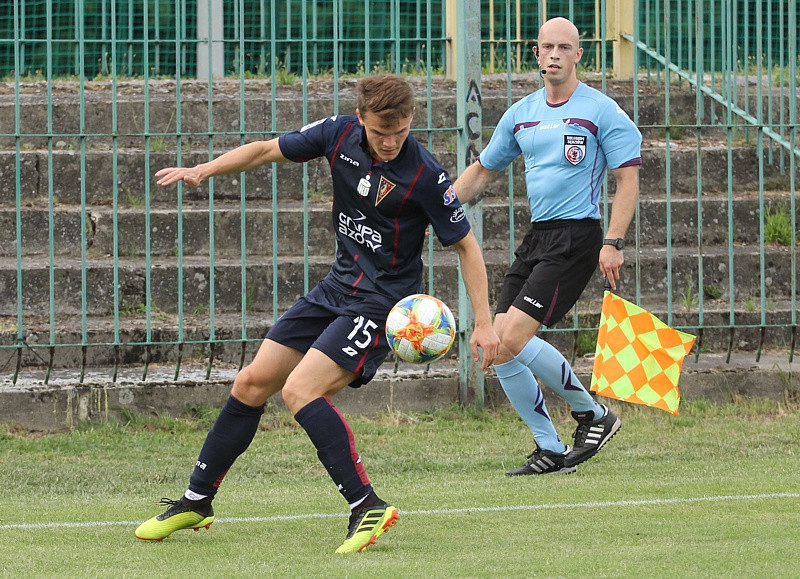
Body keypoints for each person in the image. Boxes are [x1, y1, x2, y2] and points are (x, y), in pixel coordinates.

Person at [134, 74, 499, 552]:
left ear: (411, 121)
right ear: (361, 118)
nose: (390, 143)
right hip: (335, 290)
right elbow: (266, 150)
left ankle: (366, 505)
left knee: (301, 391)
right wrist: (206, 169)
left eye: (400, 132)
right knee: (250, 384)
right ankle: (195, 502)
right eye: (379, 133)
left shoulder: (425, 175)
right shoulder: (338, 134)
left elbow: (468, 248)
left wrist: (485, 322)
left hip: (381, 304)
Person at [453, 17, 641, 476]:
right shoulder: (521, 113)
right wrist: (437, 208)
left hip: (578, 237)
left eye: (564, 47)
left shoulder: (601, 110)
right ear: (535, 55)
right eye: (546, 47)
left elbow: (627, 178)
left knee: (511, 339)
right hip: (539, 235)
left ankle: (593, 415)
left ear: (579, 55)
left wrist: (613, 240)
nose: (554, 54)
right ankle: (553, 449)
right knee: (496, 345)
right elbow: (482, 170)